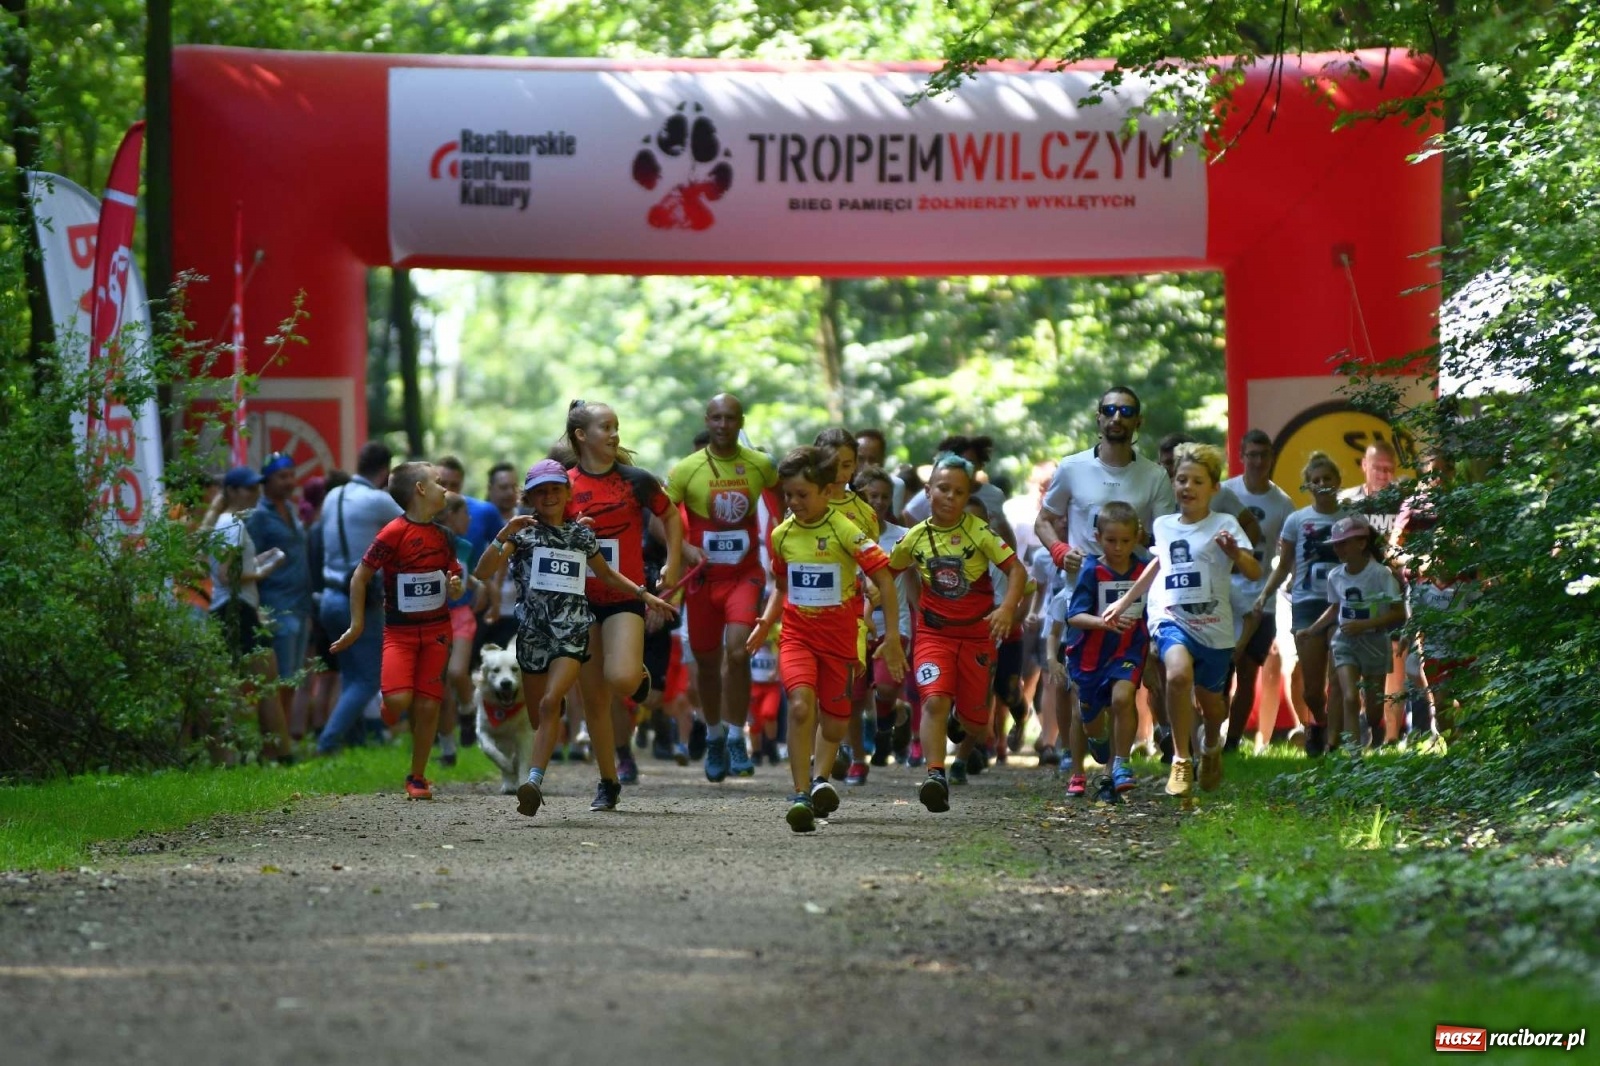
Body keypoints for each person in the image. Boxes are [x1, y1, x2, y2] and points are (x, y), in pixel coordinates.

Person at [478, 459, 678, 817]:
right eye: (542, 491)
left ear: (567, 493)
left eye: (557, 488)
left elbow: (608, 575)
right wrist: (503, 533)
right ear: (531, 497)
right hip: (533, 635)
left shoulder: (581, 535)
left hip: (573, 631)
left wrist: (645, 596)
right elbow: (482, 571)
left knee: (550, 701)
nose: (550, 496)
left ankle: (533, 783)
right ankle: (552, 732)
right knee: (542, 715)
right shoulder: (521, 534)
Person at [747, 445, 905, 833]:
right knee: (801, 706)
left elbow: (884, 577)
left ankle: (822, 779)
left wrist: (894, 636)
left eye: (802, 495)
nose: (794, 502)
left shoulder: (845, 529)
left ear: (824, 491)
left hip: (841, 642)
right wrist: (766, 624)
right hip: (798, 636)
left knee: (835, 725)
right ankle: (802, 793)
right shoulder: (782, 536)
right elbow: (782, 588)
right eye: (788, 495)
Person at [1104, 443, 1258, 796]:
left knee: (1213, 705)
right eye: (1181, 480)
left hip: (1214, 627)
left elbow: (1253, 571)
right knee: (1176, 676)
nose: (1187, 487)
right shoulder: (1163, 525)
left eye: (1197, 481)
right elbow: (1157, 565)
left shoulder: (1226, 524)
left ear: (1214, 488)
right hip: (1171, 617)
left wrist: (1235, 553)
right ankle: (1181, 758)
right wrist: (1127, 601)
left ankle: (1212, 746)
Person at [1035, 386, 1177, 765]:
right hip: (1082, 583)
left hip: (1133, 586)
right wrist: (1060, 550)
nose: (1117, 417)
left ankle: (1146, 746)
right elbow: (1045, 520)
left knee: (1143, 669)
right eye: (1109, 410)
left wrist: (1144, 541)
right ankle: (1073, 748)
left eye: (1126, 411)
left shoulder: (1154, 476)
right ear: (1099, 418)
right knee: (1077, 672)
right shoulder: (1072, 467)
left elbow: (1166, 534)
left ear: (1137, 421)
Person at [890, 453, 1025, 814]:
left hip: (977, 638)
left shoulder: (980, 533)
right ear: (928, 491)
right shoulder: (914, 537)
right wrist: (879, 608)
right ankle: (935, 775)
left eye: (959, 492)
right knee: (934, 699)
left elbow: (1017, 571)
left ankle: (959, 722)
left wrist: (1007, 609)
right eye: (943, 489)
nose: (950, 497)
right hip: (933, 635)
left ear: (967, 498)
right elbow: (889, 572)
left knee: (975, 723)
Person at [564, 399, 683, 789]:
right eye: (606, 428)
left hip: (626, 595)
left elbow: (670, 515)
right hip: (580, 600)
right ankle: (608, 779)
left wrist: (674, 561)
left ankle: (638, 672)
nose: (615, 434)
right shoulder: (564, 485)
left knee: (620, 678)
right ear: (582, 435)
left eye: (616, 427)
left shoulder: (636, 480)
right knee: (594, 697)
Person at [329, 462, 464, 799]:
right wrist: (357, 625)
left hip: (437, 631)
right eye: (437, 483)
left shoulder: (446, 537)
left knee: (429, 704)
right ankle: (390, 708)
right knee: (399, 699)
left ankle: (417, 776)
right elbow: (360, 577)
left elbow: (456, 585)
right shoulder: (393, 532)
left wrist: (455, 586)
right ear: (420, 489)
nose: (445, 489)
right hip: (399, 633)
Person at [666, 393, 780, 782]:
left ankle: (736, 735)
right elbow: (661, 520)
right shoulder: (686, 470)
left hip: (743, 577)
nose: (722, 425)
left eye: (730, 418)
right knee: (708, 664)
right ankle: (713, 736)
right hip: (703, 581)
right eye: (716, 418)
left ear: (741, 421)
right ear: (707, 419)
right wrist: (683, 547)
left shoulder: (760, 465)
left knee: (738, 649)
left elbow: (784, 508)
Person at [1253, 451, 1351, 757]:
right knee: (1311, 688)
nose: (1322, 484)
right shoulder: (1296, 520)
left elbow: (1367, 560)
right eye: (1315, 480)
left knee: (1338, 675)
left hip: (1342, 604)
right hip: (1307, 603)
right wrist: (1263, 595)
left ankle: (1334, 741)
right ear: (1307, 485)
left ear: (1338, 482)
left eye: (1327, 479)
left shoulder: (1351, 520)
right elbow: (1283, 566)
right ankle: (1318, 724)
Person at [1052, 501, 1151, 800]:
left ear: (1136, 538)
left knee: (1123, 698)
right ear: (1097, 537)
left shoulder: (1144, 572)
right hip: (1089, 657)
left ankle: (1120, 765)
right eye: (1111, 540)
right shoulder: (1091, 572)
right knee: (1088, 720)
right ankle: (1090, 754)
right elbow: (1074, 616)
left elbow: (1151, 612)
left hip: (1128, 650)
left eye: (1125, 541)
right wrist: (1103, 622)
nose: (1118, 547)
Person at [315, 441, 403, 755]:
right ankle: (327, 742)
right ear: (385, 471)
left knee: (351, 675)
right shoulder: (377, 500)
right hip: (359, 600)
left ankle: (352, 741)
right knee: (367, 679)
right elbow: (415, 521)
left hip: (328, 598)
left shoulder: (331, 497)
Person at [207, 465, 293, 760]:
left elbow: (234, 566)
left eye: (257, 487)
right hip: (237, 608)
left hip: (231, 609)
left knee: (247, 684)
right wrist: (264, 570)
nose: (255, 493)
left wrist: (259, 561)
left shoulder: (224, 521)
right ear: (231, 491)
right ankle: (277, 753)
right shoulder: (233, 523)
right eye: (248, 488)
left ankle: (257, 753)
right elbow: (225, 575)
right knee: (264, 682)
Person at [1221, 430, 1296, 752]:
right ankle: (1211, 734)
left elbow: (1288, 555)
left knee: (1249, 671)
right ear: (1241, 456)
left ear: (1271, 458)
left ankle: (1233, 743)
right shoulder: (1225, 492)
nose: (1258, 461)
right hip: (1223, 595)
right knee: (1218, 672)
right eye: (1252, 454)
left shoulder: (1283, 503)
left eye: (1264, 455)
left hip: (1259, 598)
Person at [1307, 516, 1405, 750]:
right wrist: (1311, 630)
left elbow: (1399, 613)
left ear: (1361, 543)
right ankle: (1354, 758)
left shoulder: (1381, 574)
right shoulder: (1335, 576)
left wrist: (1365, 624)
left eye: (1343, 543)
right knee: (1349, 696)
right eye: (1336, 544)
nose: (1337, 548)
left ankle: (1372, 728)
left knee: (1372, 710)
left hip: (1375, 641)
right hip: (1345, 641)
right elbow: (1335, 609)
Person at [247, 452, 315, 745]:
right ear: (266, 481)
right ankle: (276, 743)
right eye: (282, 476)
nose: (289, 481)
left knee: (293, 679)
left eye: (291, 475)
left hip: (300, 604)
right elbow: (248, 561)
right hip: (277, 604)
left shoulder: (290, 508)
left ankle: (283, 739)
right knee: (279, 679)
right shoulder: (260, 516)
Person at [853, 464, 916, 776]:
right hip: (853, 627)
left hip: (895, 626)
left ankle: (890, 717)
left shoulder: (903, 538)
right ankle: (855, 760)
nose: (878, 502)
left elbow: (920, 581)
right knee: (852, 695)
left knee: (887, 689)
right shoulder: (843, 535)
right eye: (871, 496)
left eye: (884, 497)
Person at [435, 491, 483, 767]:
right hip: (437, 617)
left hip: (462, 615)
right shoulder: (431, 542)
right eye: (465, 512)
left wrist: (479, 585)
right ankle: (447, 748)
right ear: (451, 515)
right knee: (439, 688)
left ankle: (468, 709)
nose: (470, 518)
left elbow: (463, 573)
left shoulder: (464, 545)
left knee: (456, 672)